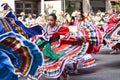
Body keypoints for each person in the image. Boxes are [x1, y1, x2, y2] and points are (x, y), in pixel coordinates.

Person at [30, 13, 90, 80]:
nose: (49, 22)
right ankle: (59, 77)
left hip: (57, 46)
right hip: (48, 47)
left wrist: (77, 37)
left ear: (55, 21)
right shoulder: (46, 27)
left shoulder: (58, 27)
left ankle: (65, 76)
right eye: (48, 20)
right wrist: (37, 37)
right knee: (50, 63)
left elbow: (67, 34)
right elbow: (45, 36)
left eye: (51, 20)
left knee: (58, 62)